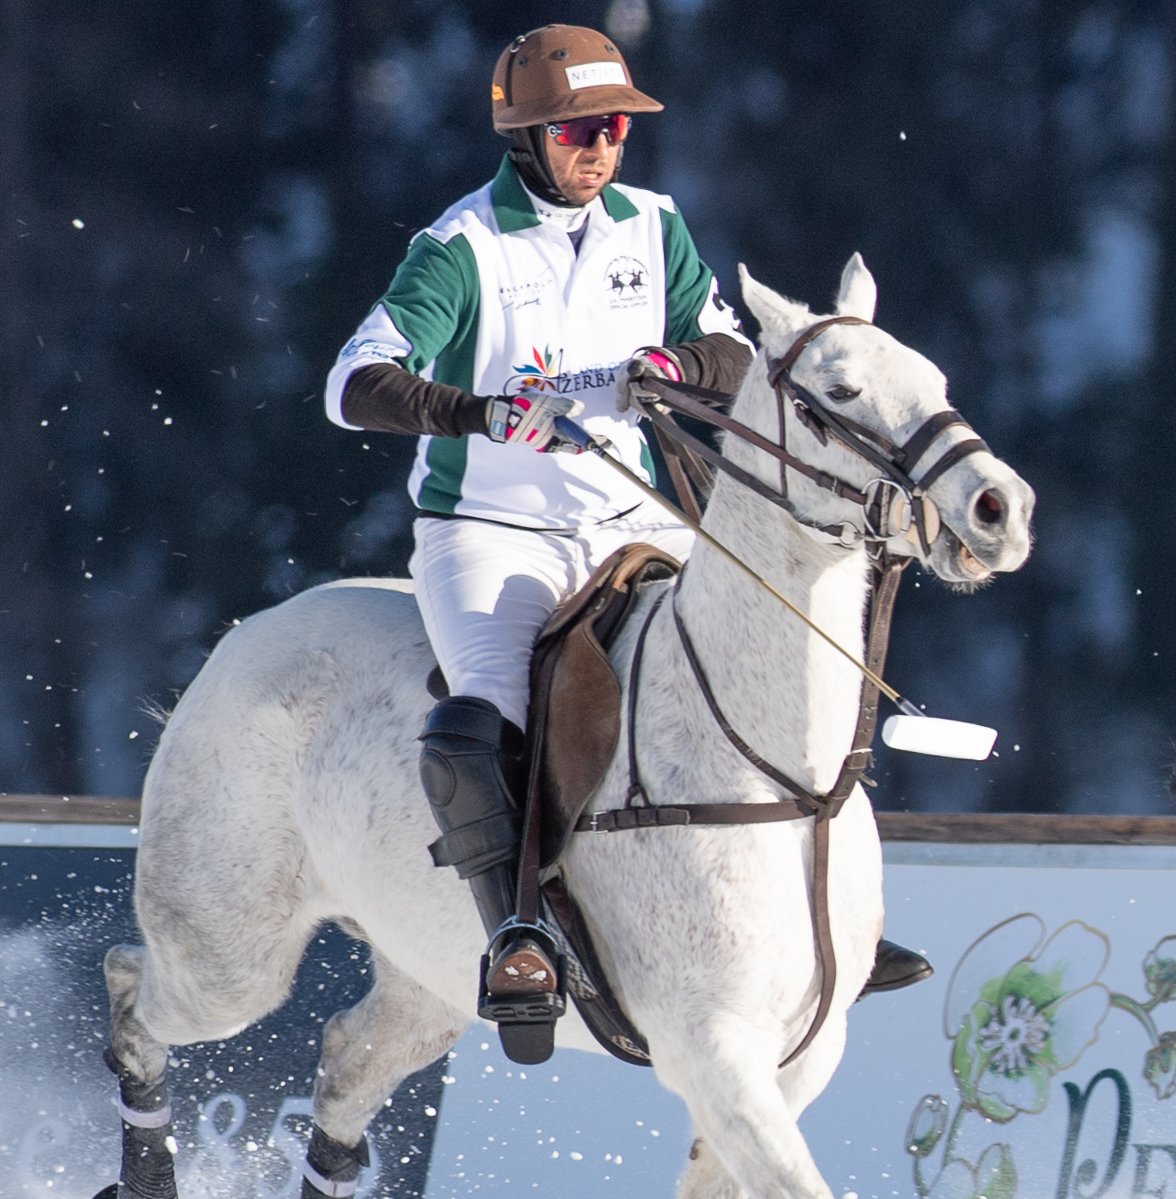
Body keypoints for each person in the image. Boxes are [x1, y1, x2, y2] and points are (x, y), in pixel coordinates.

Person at [326, 23, 932, 1031]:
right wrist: (478, 412)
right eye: (577, 132)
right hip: (491, 530)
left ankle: (839, 915)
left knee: (780, 651)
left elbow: (735, 359)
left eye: (614, 126)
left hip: (631, 517)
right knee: (489, 714)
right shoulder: (462, 247)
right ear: (525, 137)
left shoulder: (652, 227)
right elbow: (355, 385)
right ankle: (519, 932)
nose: (601, 146)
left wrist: (677, 368)